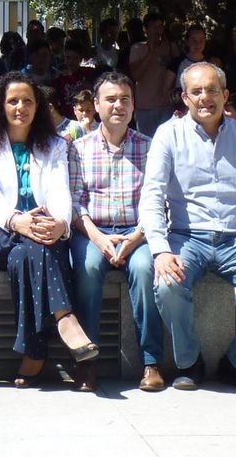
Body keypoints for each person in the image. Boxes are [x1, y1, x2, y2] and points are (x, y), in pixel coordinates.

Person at [143, 61, 236, 391]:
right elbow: (152, 194)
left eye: (212, 90)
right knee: (168, 284)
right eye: (196, 91)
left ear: (225, 95)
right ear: (185, 98)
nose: (205, 98)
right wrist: (160, 250)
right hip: (186, 235)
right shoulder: (167, 135)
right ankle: (189, 362)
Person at [0, 74, 99, 389]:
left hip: (43, 230)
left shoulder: (56, 145)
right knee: (29, 247)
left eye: (28, 101)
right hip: (3, 230)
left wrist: (60, 221)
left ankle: (34, 351)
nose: (21, 107)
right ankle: (65, 319)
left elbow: (60, 191)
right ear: (0, 106)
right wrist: (17, 221)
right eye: (13, 101)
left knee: (29, 254)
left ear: (38, 106)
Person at [67, 73, 166, 390]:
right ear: (96, 105)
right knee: (88, 267)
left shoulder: (150, 149)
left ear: (134, 105)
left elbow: (159, 203)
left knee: (145, 268)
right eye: (110, 99)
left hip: (138, 233)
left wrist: (136, 238)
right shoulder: (78, 149)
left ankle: (151, 362)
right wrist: (99, 238)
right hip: (92, 232)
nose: (118, 105)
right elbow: (73, 203)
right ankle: (86, 362)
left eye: (125, 99)